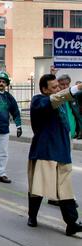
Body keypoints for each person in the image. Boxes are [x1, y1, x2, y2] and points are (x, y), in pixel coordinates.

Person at [27, 75, 82, 236]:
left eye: (59, 86)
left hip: (63, 151)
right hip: (46, 150)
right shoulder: (39, 101)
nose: (58, 89)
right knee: (38, 187)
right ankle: (32, 216)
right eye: (54, 87)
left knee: (65, 190)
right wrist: (76, 88)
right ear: (44, 90)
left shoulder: (63, 103)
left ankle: (71, 223)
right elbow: (53, 99)